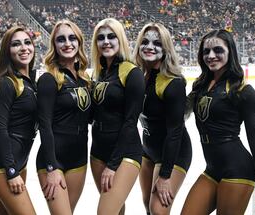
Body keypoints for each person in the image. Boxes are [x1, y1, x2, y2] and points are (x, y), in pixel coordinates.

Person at [182, 29, 255, 214]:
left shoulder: (243, 91)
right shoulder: (200, 86)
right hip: (212, 169)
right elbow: (180, 113)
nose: (211, 56)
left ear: (230, 52)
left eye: (218, 50)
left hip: (238, 169)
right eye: (206, 51)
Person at [133, 23, 192, 215]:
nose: (149, 47)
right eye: (145, 41)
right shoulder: (140, 76)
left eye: (157, 43)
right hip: (147, 151)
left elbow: (174, 132)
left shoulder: (173, 83)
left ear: (166, 47)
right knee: (147, 205)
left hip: (173, 153)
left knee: (158, 209)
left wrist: (165, 175)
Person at [90, 18, 145, 215]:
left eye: (111, 36)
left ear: (120, 39)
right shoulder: (99, 74)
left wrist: (113, 166)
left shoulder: (132, 73)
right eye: (101, 37)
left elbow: (130, 122)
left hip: (124, 154)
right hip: (97, 152)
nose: (106, 41)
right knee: (116, 210)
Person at [36, 19, 91, 215]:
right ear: (54, 45)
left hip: (79, 159)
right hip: (53, 159)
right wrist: (52, 167)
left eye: (72, 38)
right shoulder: (49, 79)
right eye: (61, 39)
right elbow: (44, 125)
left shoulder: (84, 79)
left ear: (79, 42)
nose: (67, 43)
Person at [0, 26, 38, 214]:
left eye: (27, 42)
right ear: (8, 51)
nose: (23, 48)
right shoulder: (7, 82)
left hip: (19, 162)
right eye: (16, 44)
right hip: (3, 165)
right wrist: (11, 171)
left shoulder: (30, 81)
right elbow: (0, 128)